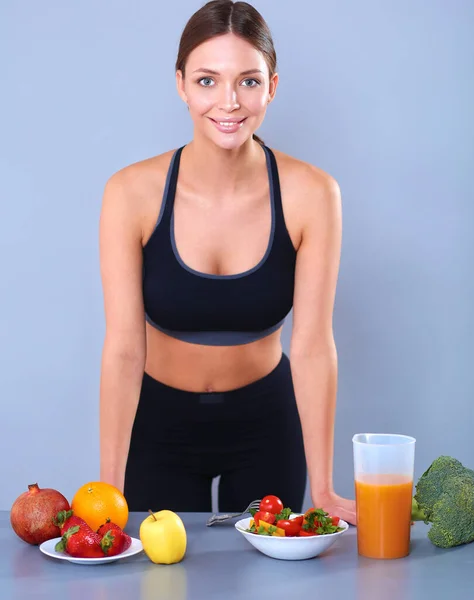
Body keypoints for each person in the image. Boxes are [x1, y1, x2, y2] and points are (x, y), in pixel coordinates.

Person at [99, 0, 356, 525]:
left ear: (273, 87)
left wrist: (325, 488)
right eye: (208, 81)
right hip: (159, 425)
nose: (230, 102)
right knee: (158, 581)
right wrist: (108, 491)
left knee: (268, 579)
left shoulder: (313, 194)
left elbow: (311, 346)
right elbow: (125, 347)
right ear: (181, 85)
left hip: (267, 425)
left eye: (249, 81)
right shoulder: (131, 193)